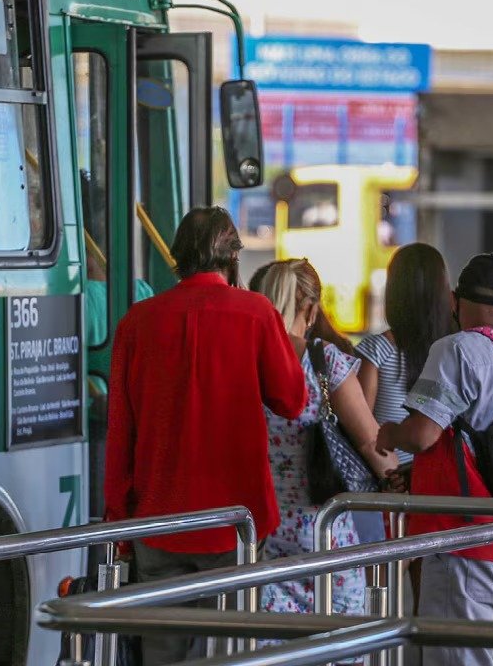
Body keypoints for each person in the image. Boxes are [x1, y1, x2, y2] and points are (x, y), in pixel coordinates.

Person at [104, 207, 306, 666]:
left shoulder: (137, 322)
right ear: (234, 259)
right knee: (230, 652)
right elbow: (291, 401)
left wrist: (119, 518)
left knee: (162, 655)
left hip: (156, 521)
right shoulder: (257, 314)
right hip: (236, 523)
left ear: (177, 258)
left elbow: (121, 432)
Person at [375, 253, 493, 666]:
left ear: (453, 300)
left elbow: (423, 434)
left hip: (463, 547)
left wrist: (391, 432)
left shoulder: (458, 349)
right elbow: (484, 446)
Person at [251, 259, 398, 617]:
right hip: (324, 534)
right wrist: (399, 477)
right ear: (311, 308)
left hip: (260, 537)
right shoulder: (323, 359)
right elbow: (369, 441)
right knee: (336, 643)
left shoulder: (244, 359)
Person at [357, 243, 454, 466]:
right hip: (444, 488)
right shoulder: (455, 352)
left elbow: (362, 431)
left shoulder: (377, 350)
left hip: (388, 484)